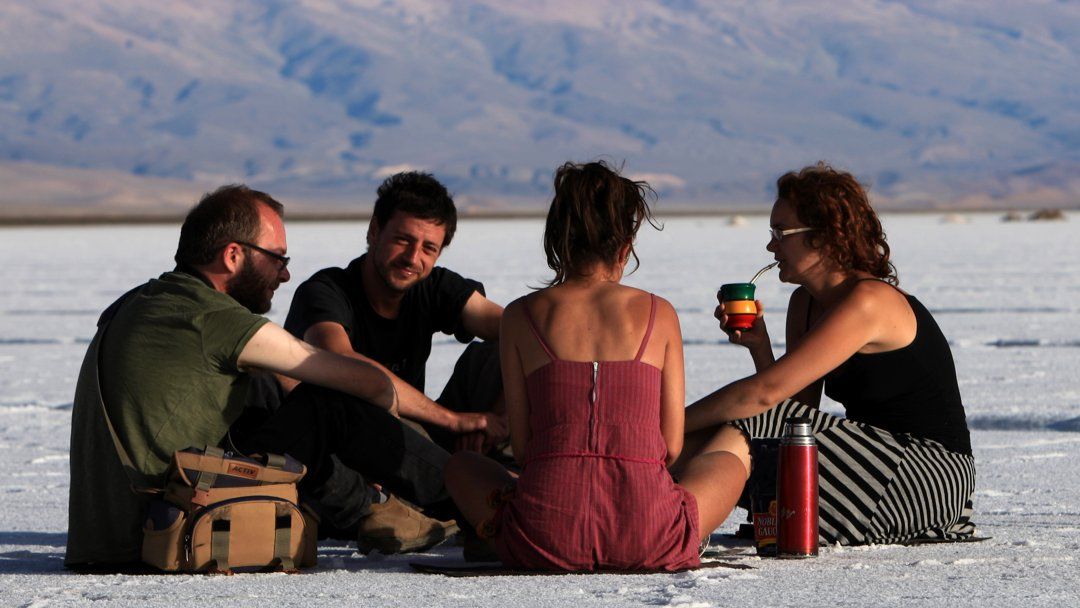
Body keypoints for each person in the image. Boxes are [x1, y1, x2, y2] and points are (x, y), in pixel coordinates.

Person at [65, 185, 457, 570]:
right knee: (328, 407)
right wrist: (447, 421)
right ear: (233, 255)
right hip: (165, 537)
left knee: (267, 387)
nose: (284, 275)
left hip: (120, 536)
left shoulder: (146, 300)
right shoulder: (213, 317)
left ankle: (379, 510)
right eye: (276, 258)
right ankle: (467, 500)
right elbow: (368, 383)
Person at [443, 161, 737, 572]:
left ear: (558, 239)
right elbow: (670, 446)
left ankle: (504, 531)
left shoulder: (520, 316)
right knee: (731, 455)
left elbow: (525, 449)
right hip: (650, 537)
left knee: (460, 466)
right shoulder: (659, 313)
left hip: (544, 538)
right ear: (625, 245)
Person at [678, 162, 976, 546]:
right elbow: (793, 411)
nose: (771, 245)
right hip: (867, 460)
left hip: (928, 474)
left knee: (734, 428)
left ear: (824, 236)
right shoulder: (805, 303)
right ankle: (644, 521)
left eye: (781, 232)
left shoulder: (870, 301)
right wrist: (761, 348)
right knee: (706, 441)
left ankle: (674, 538)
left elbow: (763, 397)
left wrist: (663, 428)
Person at [271, 171, 508, 541]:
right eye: (403, 240)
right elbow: (341, 362)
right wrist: (452, 420)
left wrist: (493, 418)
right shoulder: (327, 291)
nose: (413, 257)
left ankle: (496, 475)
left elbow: (519, 332)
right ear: (373, 231)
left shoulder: (434, 287)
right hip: (346, 455)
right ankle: (480, 499)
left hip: (415, 444)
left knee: (492, 357)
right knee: (348, 398)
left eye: (429, 248)